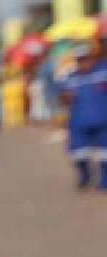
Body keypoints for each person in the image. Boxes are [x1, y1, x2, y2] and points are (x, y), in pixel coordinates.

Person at [61, 44, 107, 192]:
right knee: (78, 154)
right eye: (80, 60)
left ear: (92, 57)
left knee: (104, 154)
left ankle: (105, 180)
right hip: (79, 122)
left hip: (103, 121)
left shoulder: (103, 71)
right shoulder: (71, 77)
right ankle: (85, 176)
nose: (84, 63)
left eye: (86, 59)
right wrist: (65, 97)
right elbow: (62, 97)